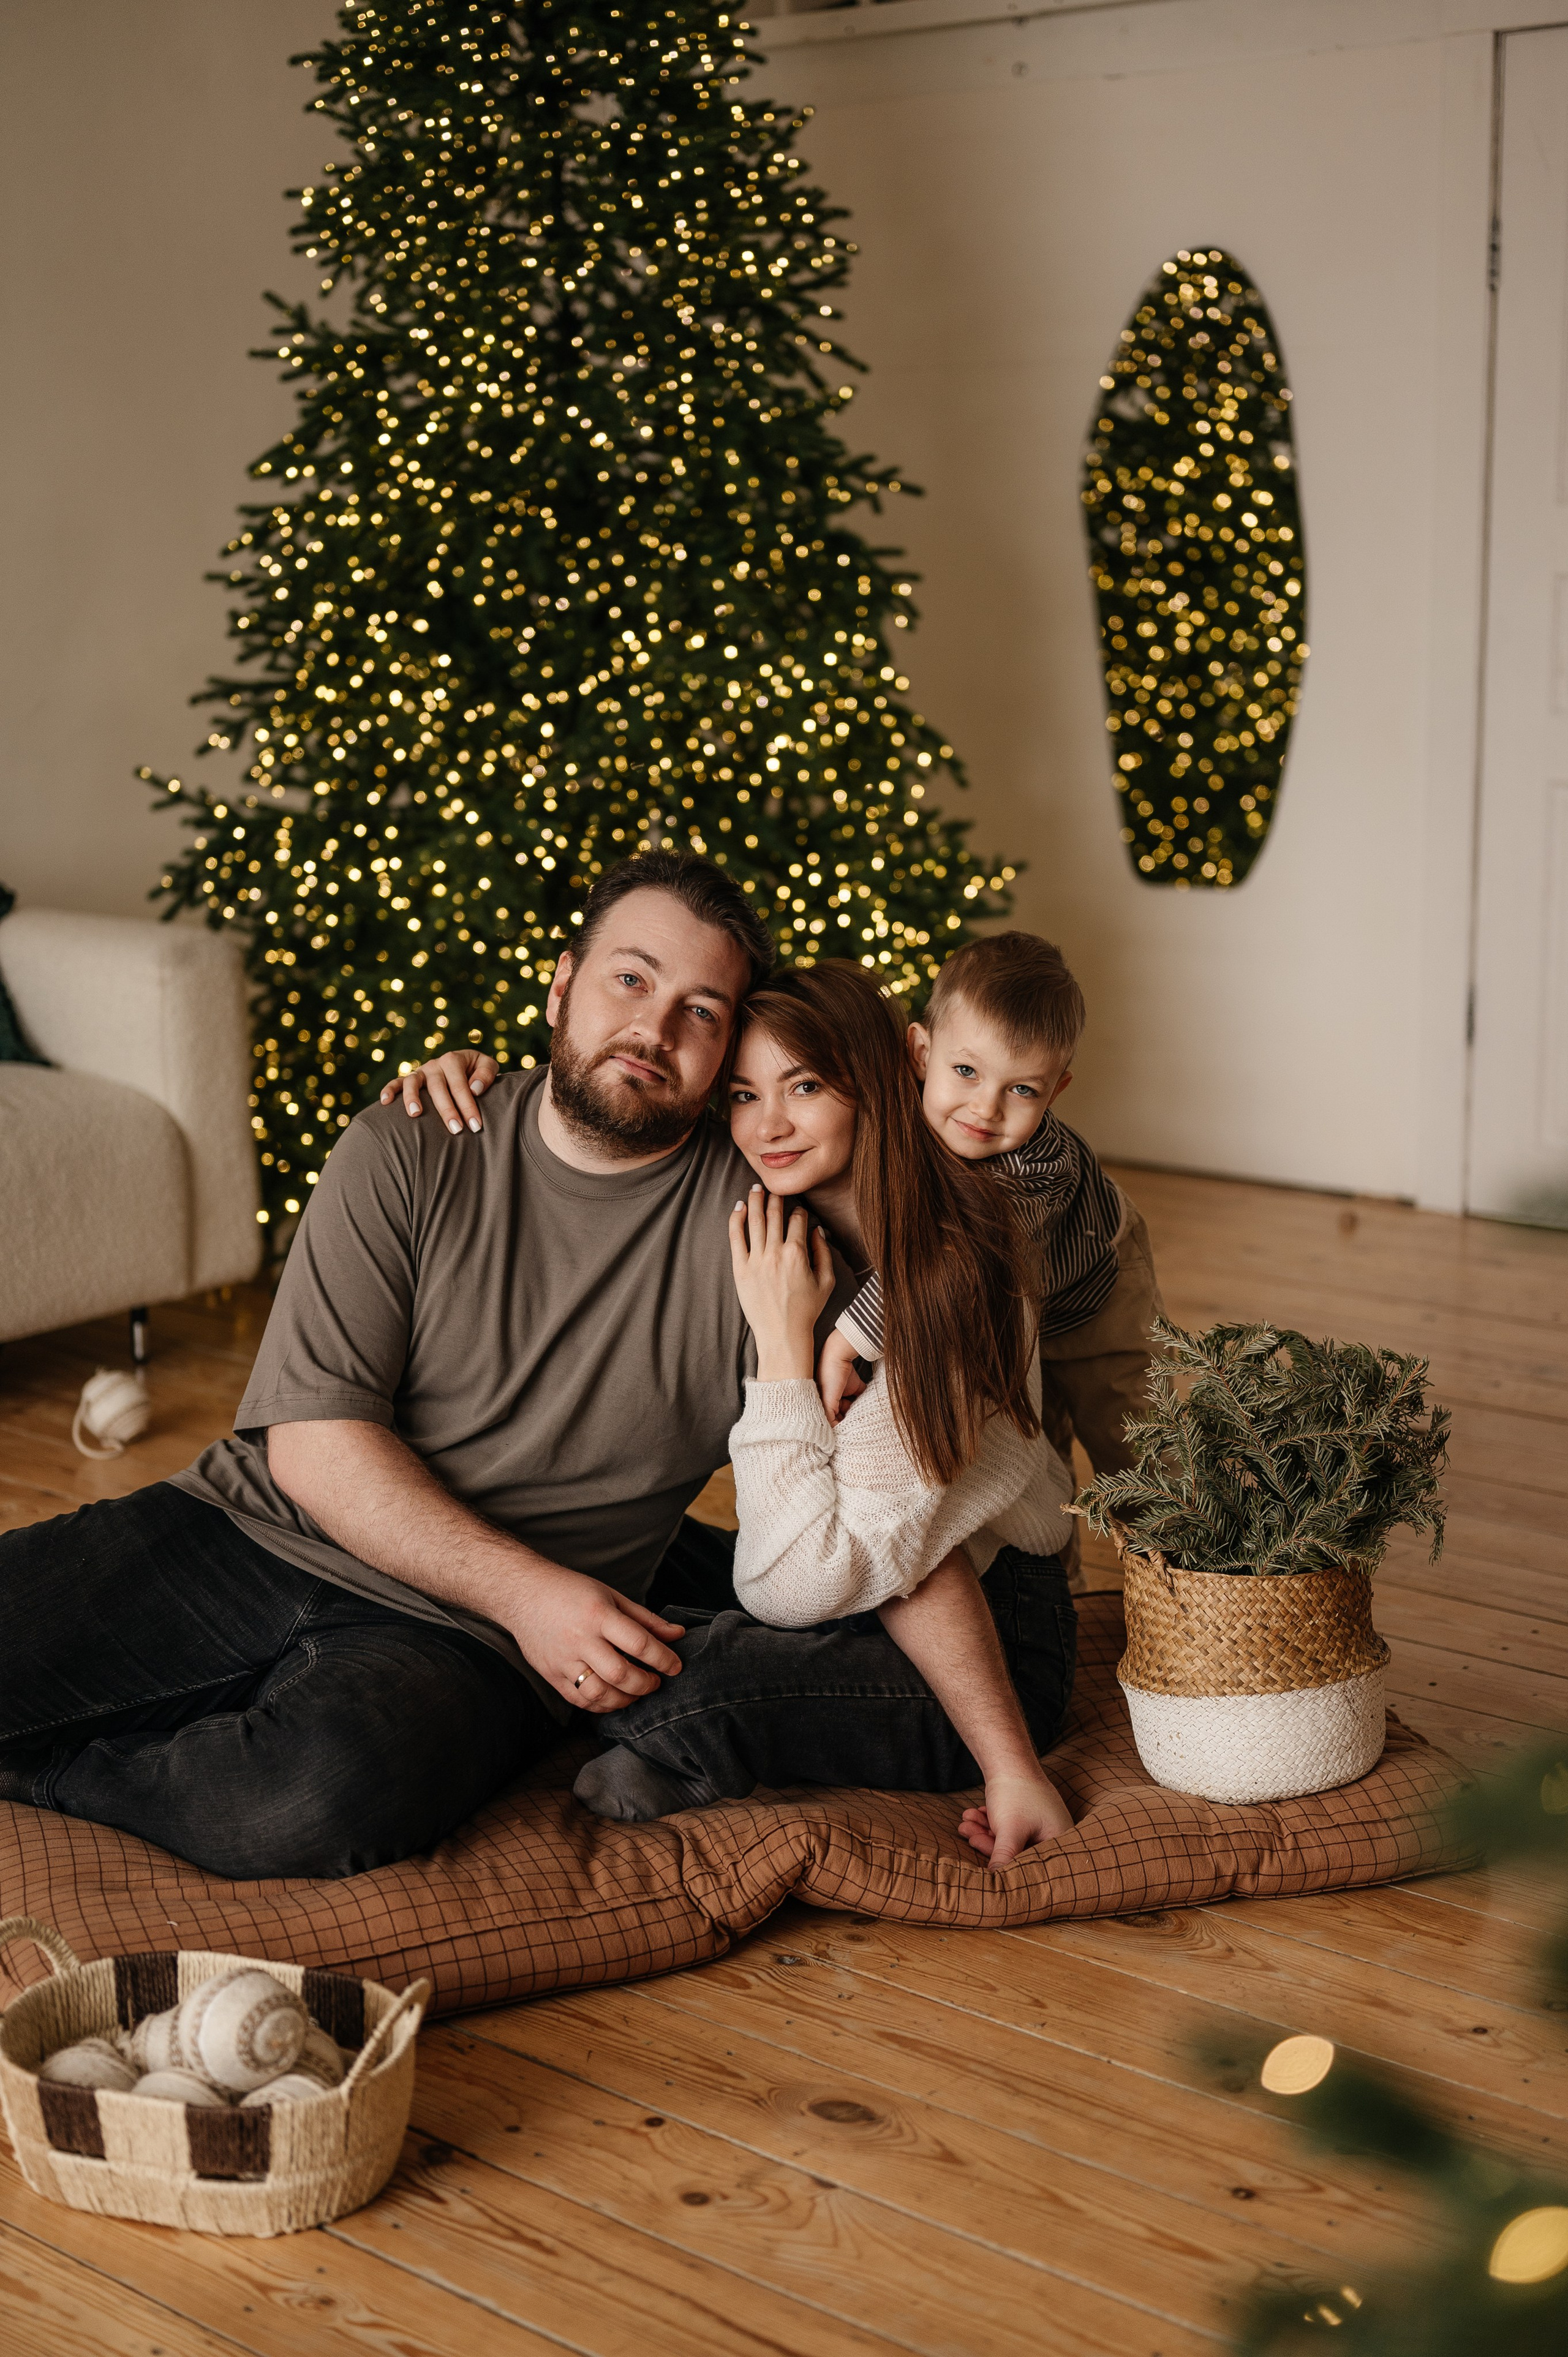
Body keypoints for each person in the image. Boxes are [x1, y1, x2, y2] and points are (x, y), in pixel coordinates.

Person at [0, 854, 778, 1878]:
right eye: (629, 979)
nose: (656, 1029)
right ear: (560, 985)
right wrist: (531, 1592)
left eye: (703, 1012)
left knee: (295, 1809)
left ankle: (58, 1775)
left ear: (731, 1052)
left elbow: (937, 1144)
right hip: (256, 1530)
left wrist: (539, 1608)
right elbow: (317, 1453)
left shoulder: (766, 1230)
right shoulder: (411, 1140)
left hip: (477, 1643)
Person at [570, 962, 1080, 1864]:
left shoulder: (950, 1281)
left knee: (664, 1690)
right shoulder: (792, 1214)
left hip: (991, 1649)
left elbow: (803, 1583)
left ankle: (711, 1733)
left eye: (803, 1086)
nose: (768, 1125)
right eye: (742, 1093)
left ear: (881, 1080)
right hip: (867, 1568)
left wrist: (780, 1350)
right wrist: (474, 1080)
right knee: (591, 1564)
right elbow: (609, 1113)